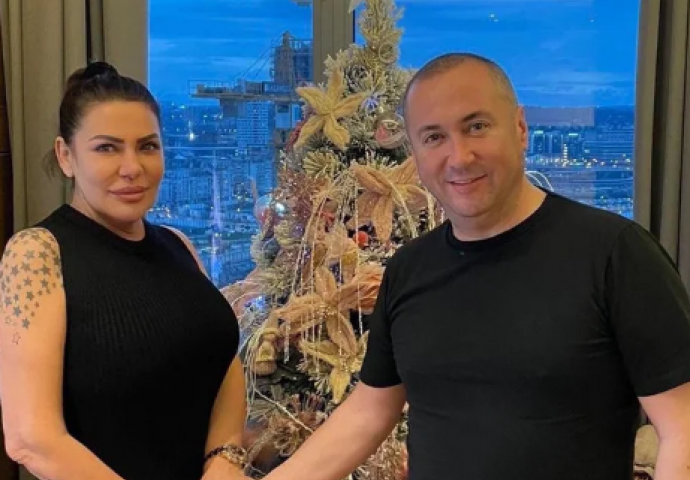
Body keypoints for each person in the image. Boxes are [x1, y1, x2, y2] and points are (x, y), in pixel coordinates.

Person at [253, 53, 690, 480]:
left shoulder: (615, 254)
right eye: (434, 137)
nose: (459, 157)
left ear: (520, 128)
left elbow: (682, 429)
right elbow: (368, 413)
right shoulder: (409, 269)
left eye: (476, 127)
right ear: (414, 152)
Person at [0, 62, 248, 480]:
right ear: (66, 156)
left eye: (147, 146)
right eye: (107, 148)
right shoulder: (37, 254)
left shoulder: (177, 244)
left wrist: (225, 459)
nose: (132, 167)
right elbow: (31, 439)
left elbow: (221, 358)